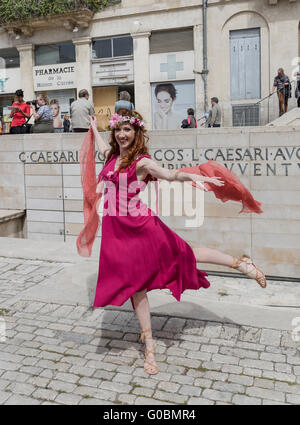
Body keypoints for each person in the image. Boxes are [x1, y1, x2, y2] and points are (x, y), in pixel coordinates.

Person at [77, 109, 266, 376]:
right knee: (136, 285)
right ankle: (149, 343)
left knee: (187, 254)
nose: (122, 135)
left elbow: (170, 174)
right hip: (116, 231)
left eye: (128, 130)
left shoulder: (141, 162)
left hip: (142, 227)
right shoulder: (112, 156)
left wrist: (196, 177)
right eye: (118, 130)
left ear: (137, 133)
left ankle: (240, 263)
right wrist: (95, 128)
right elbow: (101, 148)